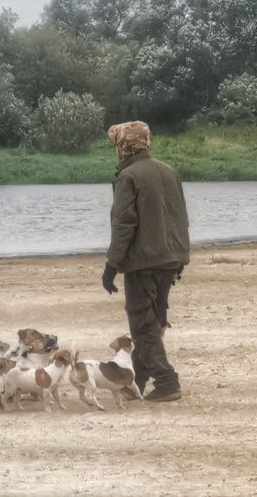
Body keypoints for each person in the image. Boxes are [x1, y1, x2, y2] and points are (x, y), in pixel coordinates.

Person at [102, 120, 190, 402]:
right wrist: (180, 257)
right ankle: (137, 381)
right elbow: (181, 219)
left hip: (143, 261)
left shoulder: (128, 177)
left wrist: (111, 265)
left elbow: (124, 225)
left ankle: (167, 381)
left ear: (123, 146)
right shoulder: (169, 171)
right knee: (153, 321)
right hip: (171, 257)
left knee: (142, 325)